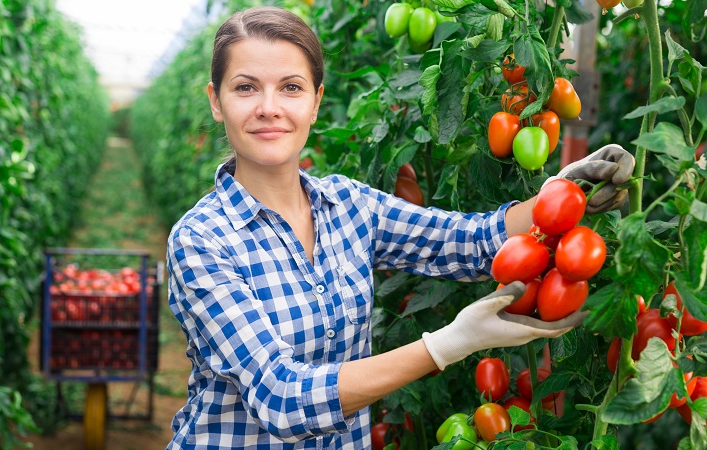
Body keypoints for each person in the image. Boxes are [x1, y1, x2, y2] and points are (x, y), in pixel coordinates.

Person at [165, 6, 634, 449]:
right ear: (216, 102)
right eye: (246, 87)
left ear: (315, 102)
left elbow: (468, 243)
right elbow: (281, 398)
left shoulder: (347, 205)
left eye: (291, 87)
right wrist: (449, 344)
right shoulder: (202, 240)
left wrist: (560, 192)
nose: (269, 107)